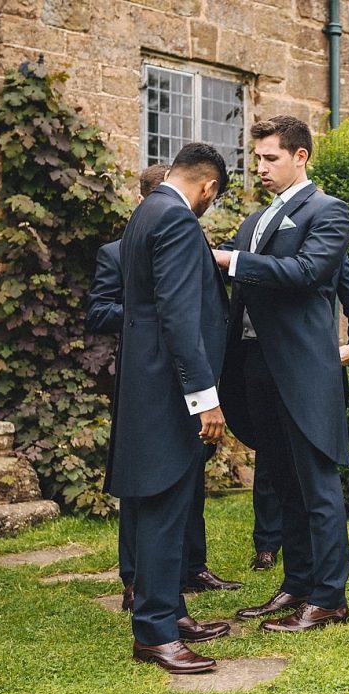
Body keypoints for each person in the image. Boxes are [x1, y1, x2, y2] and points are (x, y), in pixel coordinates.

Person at [214, 115, 349, 632]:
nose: (261, 168)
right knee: (285, 484)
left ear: (301, 157)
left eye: (271, 158)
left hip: (303, 369)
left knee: (317, 486)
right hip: (255, 366)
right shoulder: (255, 221)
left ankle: (330, 598)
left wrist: (232, 260)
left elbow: (307, 273)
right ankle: (297, 585)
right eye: (257, 159)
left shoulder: (329, 211)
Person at [89, 164, 241, 613]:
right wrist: (205, 398)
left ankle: (172, 611)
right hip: (168, 387)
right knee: (159, 507)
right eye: (213, 197)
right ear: (208, 186)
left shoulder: (145, 215)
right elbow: (177, 316)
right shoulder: (175, 218)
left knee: (171, 503)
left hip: (152, 383)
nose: (208, 205)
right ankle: (158, 628)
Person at [247, 254, 349, 572]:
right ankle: (267, 545)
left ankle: (316, 555)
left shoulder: (328, 252)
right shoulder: (257, 248)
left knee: (315, 463)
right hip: (261, 362)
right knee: (270, 463)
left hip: (314, 369)